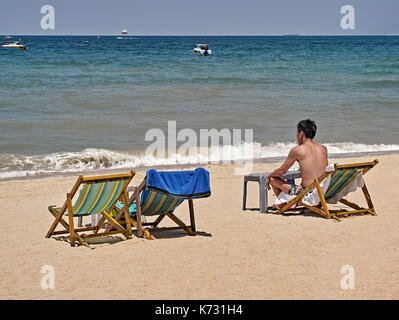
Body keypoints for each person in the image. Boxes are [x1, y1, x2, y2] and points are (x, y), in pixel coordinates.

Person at [266, 119, 328, 209]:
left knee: (272, 179)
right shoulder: (323, 149)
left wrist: (269, 176)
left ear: (301, 133)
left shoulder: (298, 150)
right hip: (323, 193)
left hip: (308, 194)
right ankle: (291, 202)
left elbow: (281, 171)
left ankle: (287, 203)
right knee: (300, 186)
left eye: (297, 133)